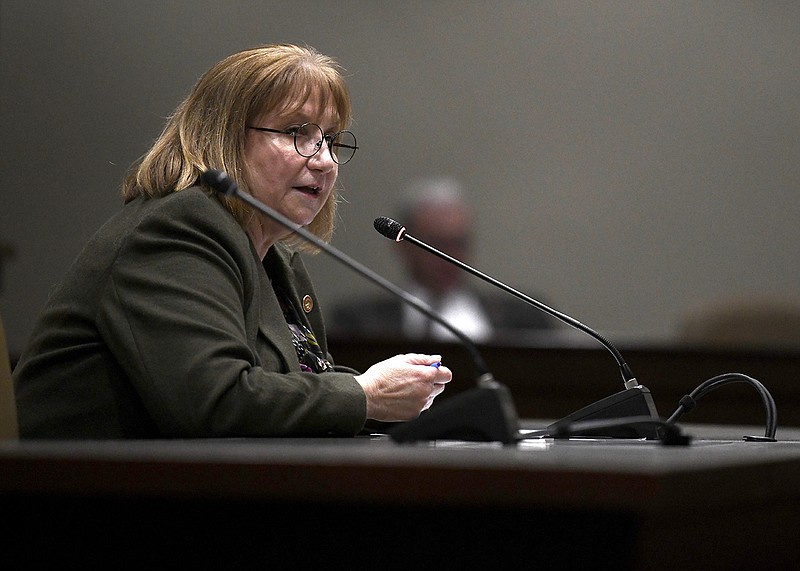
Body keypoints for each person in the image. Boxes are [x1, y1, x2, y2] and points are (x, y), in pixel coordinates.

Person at [12, 44, 451, 439]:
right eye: (297, 133)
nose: (324, 161)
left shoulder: (275, 256)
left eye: (330, 139)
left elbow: (302, 382)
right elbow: (214, 401)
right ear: (223, 137)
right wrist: (365, 395)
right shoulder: (178, 229)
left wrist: (391, 396)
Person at [329, 177, 554, 343]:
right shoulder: (358, 324)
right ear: (403, 245)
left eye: (459, 243)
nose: (450, 256)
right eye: (436, 244)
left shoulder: (525, 318)